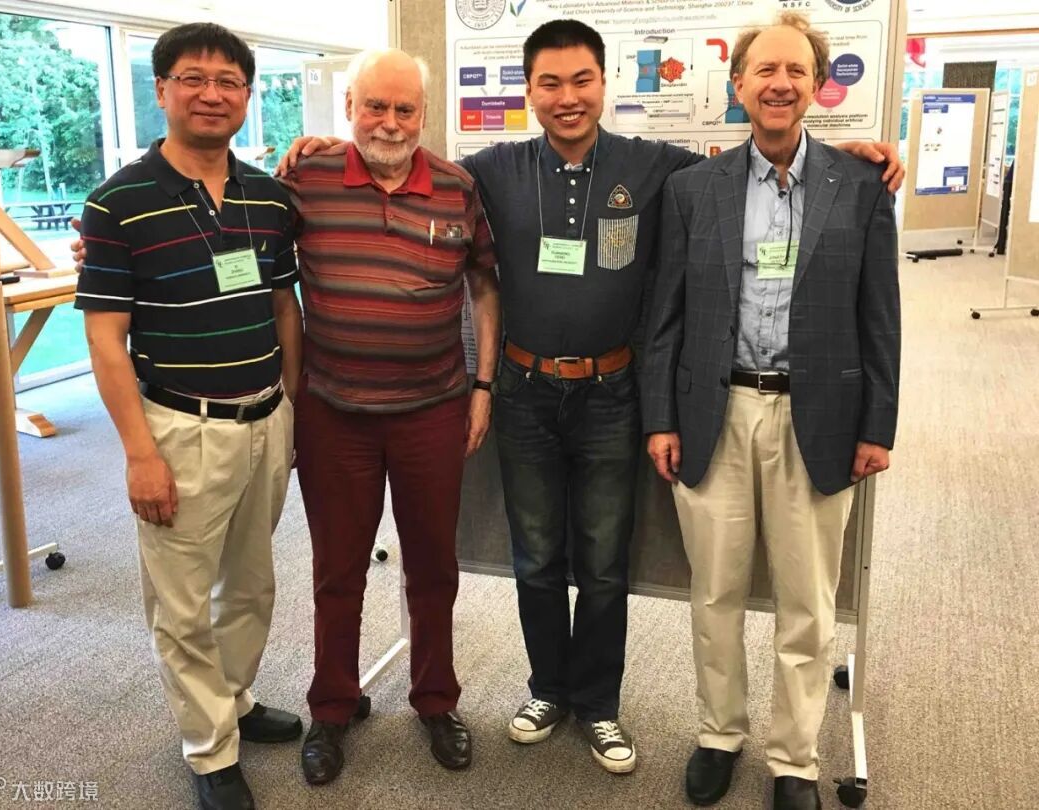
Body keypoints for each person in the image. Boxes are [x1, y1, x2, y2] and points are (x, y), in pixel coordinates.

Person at [280, 17, 903, 776]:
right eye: (550, 83)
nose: (567, 97)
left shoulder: (656, 165)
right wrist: (323, 146)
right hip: (523, 393)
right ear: (529, 91)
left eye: (582, 80)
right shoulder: (490, 171)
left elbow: (748, 164)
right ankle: (547, 690)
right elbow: (409, 170)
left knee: (606, 564)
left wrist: (856, 156)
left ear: (605, 84)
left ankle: (599, 703)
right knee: (536, 557)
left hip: (613, 394)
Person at [641, 13, 900, 810]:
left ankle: (794, 759)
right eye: (764, 70)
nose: (779, 83)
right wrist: (661, 417)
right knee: (714, 593)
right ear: (738, 84)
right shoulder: (693, 189)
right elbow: (665, 315)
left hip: (819, 418)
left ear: (816, 84)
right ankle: (720, 733)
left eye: (795, 70)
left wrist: (877, 426)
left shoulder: (860, 186)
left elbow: (880, 316)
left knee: (807, 602)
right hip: (714, 414)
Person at [76, 23, 302, 810]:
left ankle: (233, 699)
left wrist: (293, 408)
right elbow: (104, 338)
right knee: (181, 603)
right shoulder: (117, 202)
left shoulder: (270, 197)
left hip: (266, 420)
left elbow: (283, 306)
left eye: (228, 81)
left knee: (251, 585)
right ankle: (210, 749)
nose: (212, 94)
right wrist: (140, 454)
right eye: (193, 78)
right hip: (179, 427)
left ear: (247, 94)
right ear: (162, 89)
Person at [279, 49, 501, 786]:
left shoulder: (456, 186)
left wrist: (483, 383)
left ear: (424, 114)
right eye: (375, 106)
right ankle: (332, 707)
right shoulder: (305, 179)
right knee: (337, 570)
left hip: (432, 411)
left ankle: (436, 700)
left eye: (405, 109)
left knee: (433, 566)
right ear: (349, 106)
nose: (390, 122)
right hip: (333, 413)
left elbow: (484, 287)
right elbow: (236, 236)